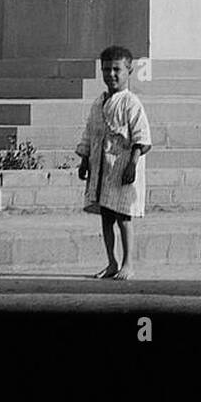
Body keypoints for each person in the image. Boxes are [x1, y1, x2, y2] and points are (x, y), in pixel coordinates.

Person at [77, 46, 152, 280]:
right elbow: (90, 132)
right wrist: (85, 160)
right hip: (101, 168)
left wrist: (132, 163)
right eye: (107, 69)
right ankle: (112, 262)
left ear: (128, 70)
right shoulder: (98, 103)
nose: (112, 74)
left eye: (117, 69)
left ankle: (128, 263)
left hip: (122, 167)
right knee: (107, 217)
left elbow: (141, 137)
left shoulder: (131, 103)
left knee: (123, 216)